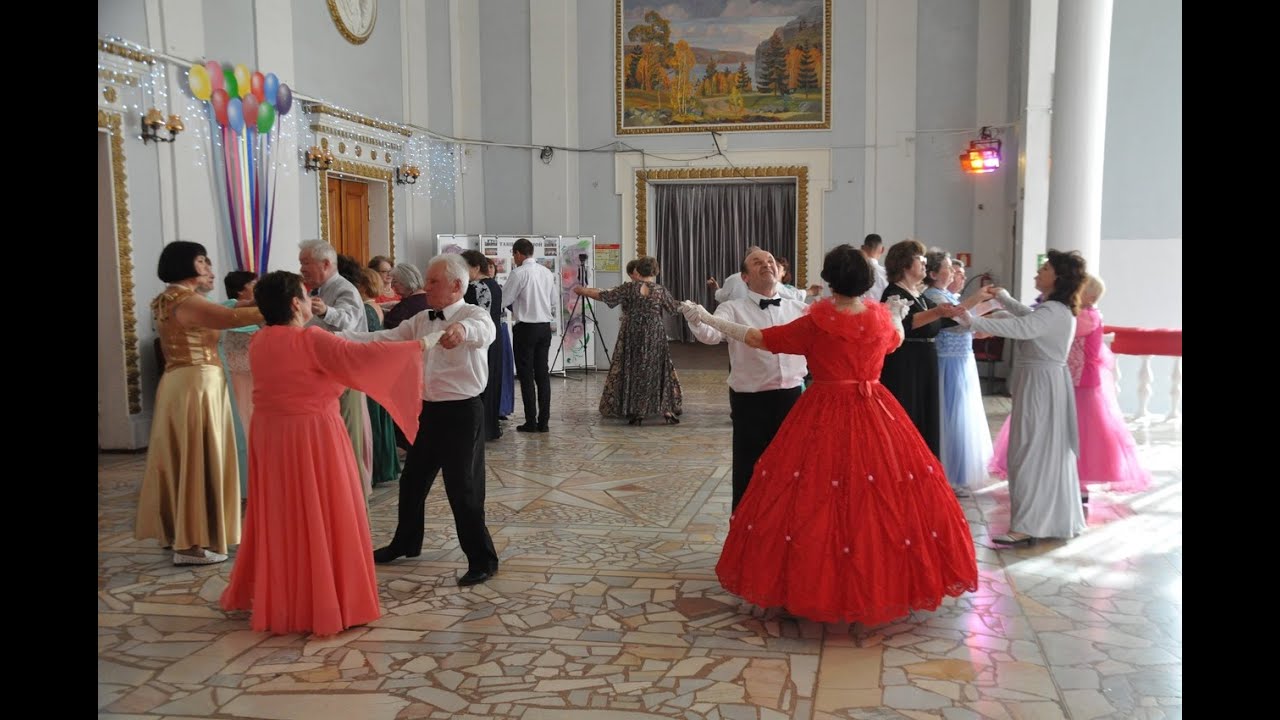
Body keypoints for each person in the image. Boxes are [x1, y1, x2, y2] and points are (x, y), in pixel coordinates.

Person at [679, 244, 978, 623]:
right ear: (867, 281)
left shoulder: (815, 321)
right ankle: (880, 578)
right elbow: (896, 341)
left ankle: (812, 578)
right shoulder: (879, 318)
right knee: (877, 492)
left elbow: (758, 339)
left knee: (811, 493)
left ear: (830, 280)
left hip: (822, 408)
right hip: (875, 409)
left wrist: (709, 318)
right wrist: (898, 315)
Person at [219, 271, 427, 636]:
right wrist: (420, 346)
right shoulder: (311, 339)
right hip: (314, 436)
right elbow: (364, 355)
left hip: (270, 436)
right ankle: (328, 600)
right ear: (296, 303)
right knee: (327, 511)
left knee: (282, 514)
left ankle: (286, 595)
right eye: (304, 294)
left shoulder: (261, 341)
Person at [340, 254, 500, 586]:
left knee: (464, 490)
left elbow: (484, 331)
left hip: (463, 412)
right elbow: (384, 339)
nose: (425, 287)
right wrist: (342, 341)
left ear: (457, 286)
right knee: (412, 481)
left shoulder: (474, 314)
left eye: (433, 282)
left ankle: (483, 559)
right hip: (430, 412)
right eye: (426, 280)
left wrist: (461, 329)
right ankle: (406, 542)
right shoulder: (421, 319)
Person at [135, 241, 263, 565]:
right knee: (200, 457)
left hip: (185, 382)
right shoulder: (186, 300)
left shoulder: (171, 298)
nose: (209, 267)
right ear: (185, 265)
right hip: (197, 383)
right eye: (202, 261)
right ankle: (190, 544)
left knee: (189, 458)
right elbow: (232, 318)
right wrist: (284, 302)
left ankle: (184, 534)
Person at [957, 250, 1089, 545]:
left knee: (1028, 452)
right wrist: (1003, 298)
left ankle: (1027, 524)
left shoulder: (1054, 310)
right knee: (1038, 451)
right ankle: (1042, 520)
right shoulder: (1055, 308)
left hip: (1041, 384)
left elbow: (1023, 328)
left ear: (1058, 277)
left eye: (1045, 269)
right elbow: (1028, 318)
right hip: (1044, 382)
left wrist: (972, 321)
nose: (1037, 273)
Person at [988, 275, 1152, 498]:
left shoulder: (1086, 316)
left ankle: (1077, 481)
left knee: (1080, 433)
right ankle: (1052, 476)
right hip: (1069, 380)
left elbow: (1041, 326)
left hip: (1082, 384)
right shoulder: (1072, 314)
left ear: (1090, 297)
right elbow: (1038, 321)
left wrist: (1006, 312)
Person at [686, 249, 807, 509]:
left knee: (791, 467)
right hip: (750, 399)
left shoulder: (800, 309)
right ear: (744, 277)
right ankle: (744, 531)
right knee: (749, 467)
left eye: (770, 261)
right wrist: (697, 320)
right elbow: (710, 333)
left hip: (792, 398)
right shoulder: (731, 308)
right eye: (757, 262)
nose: (767, 265)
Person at [879, 240, 984, 458]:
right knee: (909, 416)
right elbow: (905, 324)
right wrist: (939, 313)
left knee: (926, 418)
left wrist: (979, 305)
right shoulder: (894, 293)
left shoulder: (919, 295)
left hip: (925, 362)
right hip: (906, 365)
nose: (925, 263)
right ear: (905, 264)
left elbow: (946, 319)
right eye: (920, 259)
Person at [299, 241, 373, 494]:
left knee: (348, 433)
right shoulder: (316, 290)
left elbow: (349, 323)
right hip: (324, 374)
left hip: (345, 372)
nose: (302, 269)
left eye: (306, 263)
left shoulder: (343, 289)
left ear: (326, 264)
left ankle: (353, 491)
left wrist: (326, 311)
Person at [573, 255, 683, 425]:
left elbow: (605, 296)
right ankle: (666, 410)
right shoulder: (660, 290)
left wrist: (583, 291)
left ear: (637, 270)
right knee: (659, 368)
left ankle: (637, 412)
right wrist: (692, 306)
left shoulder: (629, 288)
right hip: (655, 331)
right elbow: (674, 308)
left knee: (634, 368)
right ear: (655, 271)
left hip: (632, 331)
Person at [922, 251, 993, 497]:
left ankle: (957, 473)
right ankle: (948, 473)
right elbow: (954, 317)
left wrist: (993, 305)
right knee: (951, 417)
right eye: (947, 268)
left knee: (962, 417)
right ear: (933, 274)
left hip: (961, 360)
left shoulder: (947, 295)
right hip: (948, 364)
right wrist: (980, 299)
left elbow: (965, 320)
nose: (952, 272)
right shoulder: (932, 296)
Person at [502, 238, 558, 433]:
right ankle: (544, 422)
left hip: (526, 328)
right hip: (544, 327)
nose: (514, 258)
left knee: (526, 376)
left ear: (518, 253)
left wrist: (515, 304)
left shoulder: (518, 273)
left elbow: (505, 299)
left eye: (514, 255)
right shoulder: (546, 272)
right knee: (542, 375)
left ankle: (530, 421)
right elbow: (552, 300)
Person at [354, 267, 402, 487]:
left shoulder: (366, 308)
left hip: (370, 370)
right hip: (377, 369)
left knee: (373, 420)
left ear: (361, 286)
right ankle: (382, 466)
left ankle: (376, 468)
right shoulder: (374, 305)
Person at [218, 271, 260, 496]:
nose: (258, 286)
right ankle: (242, 480)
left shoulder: (254, 314)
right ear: (240, 290)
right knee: (242, 427)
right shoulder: (227, 308)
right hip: (235, 377)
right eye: (254, 283)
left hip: (254, 378)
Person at [462, 250, 505, 441]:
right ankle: (490, 427)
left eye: (464, 267)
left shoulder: (475, 287)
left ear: (475, 267)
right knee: (491, 380)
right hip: (495, 338)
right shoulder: (494, 284)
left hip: (482, 340)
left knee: (479, 381)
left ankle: (479, 429)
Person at [383, 263, 429, 329]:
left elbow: (389, 329)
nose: (392, 286)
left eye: (395, 282)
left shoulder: (405, 307)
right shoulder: (430, 299)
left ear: (406, 281)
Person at [860, 234, 889, 302]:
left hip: (855, 310)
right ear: (882, 250)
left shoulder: (852, 270)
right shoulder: (887, 274)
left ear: (862, 248)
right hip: (879, 311)